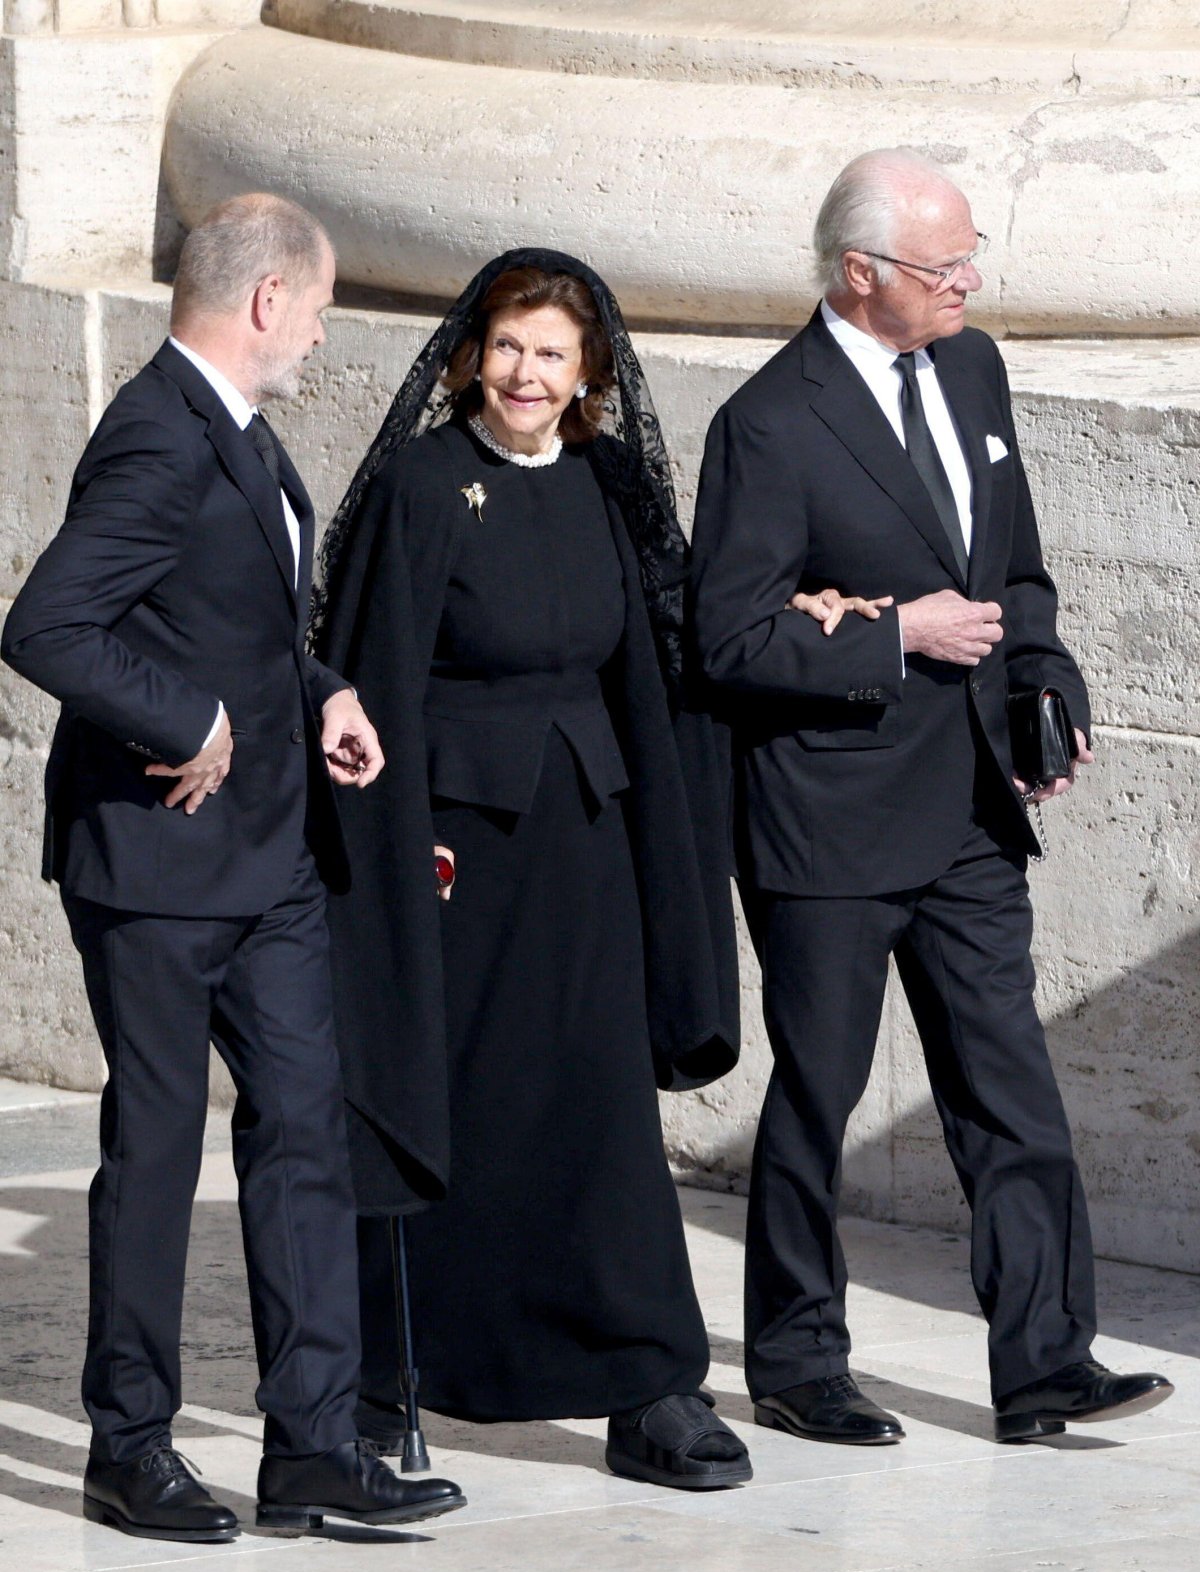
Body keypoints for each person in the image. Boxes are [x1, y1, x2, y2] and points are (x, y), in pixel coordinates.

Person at [691, 149, 1174, 1446]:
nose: (968, 281)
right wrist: (895, 635)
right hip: (828, 819)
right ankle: (796, 1361)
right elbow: (727, 639)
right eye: (941, 264)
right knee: (820, 1094)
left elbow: (1015, 573)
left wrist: (1045, 678)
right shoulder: (770, 422)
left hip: (967, 809)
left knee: (1008, 1088)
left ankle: (1045, 1360)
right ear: (861, 275)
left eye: (969, 260)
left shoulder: (973, 368)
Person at [1, 194, 464, 1540]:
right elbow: (47, 625)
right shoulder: (154, 435)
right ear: (267, 301)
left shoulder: (242, 437)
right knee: (154, 1152)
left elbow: (232, 620)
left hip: (269, 861)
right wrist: (187, 720)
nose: (322, 336)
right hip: (150, 868)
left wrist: (316, 690)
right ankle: (127, 1446)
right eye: (318, 310)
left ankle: (313, 1443)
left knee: (306, 1134)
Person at [311, 248, 755, 1490]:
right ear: (469, 353)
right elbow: (375, 672)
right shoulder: (421, 482)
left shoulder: (608, 481)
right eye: (508, 346)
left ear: (588, 375)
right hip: (456, 850)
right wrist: (399, 849)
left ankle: (646, 1381)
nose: (525, 373)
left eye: (551, 354)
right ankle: (386, 1374)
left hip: (588, 840)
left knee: (599, 1111)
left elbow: (656, 664)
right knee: (452, 1106)